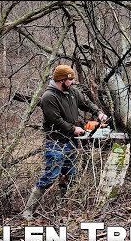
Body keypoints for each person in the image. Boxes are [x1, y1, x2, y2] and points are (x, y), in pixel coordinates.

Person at [23, 64, 108, 219]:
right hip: (56, 142)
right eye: (70, 79)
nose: (73, 82)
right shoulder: (49, 97)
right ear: (61, 80)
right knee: (50, 176)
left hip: (72, 142)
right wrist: (73, 128)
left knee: (68, 175)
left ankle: (63, 208)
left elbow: (86, 103)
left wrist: (98, 112)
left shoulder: (72, 92)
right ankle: (28, 211)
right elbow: (54, 119)